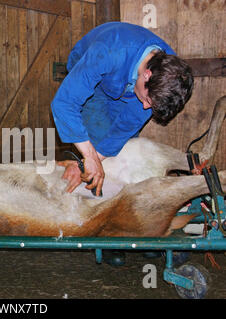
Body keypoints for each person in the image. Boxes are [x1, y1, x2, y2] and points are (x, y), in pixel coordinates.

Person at [51, 22, 193, 266]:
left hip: (128, 85)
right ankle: (106, 235)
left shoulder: (166, 76)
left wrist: (98, 159)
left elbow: (121, 132)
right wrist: (90, 158)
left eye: (152, 105)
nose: (147, 108)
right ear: (147, 74)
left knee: (122, 151)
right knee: (95, 139)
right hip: (95, 76)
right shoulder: (109, 52)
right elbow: (63, 103)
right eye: (149, 100)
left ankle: (132, 231)